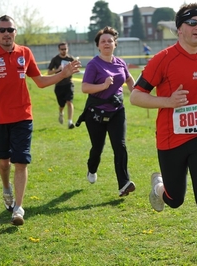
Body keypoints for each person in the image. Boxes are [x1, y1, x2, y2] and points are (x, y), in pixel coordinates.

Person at [130, 3, 197, 266]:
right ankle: (159, 186)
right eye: (193, 22)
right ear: (179, 29)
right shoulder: (163, 59)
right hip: (170, 139)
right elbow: (136, 96)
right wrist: (168, 101)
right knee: (175, 200)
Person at [0, 15, 81, 226]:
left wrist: (64, 73)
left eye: (10, 29)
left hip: (23, 116)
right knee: (4, 163)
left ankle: (18, 208)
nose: (6, 33)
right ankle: (6, 189)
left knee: (20, 161)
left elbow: (40, 81)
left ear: (15, 32)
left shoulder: (25, 53)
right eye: (2, 30)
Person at [76, 26, 136, 197]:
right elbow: (85, 87)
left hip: (117, 110)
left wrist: (138, 93)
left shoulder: (120, 63)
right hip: (96, 113)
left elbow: (129, 79)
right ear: (98, 45)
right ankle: (92, 168)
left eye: (110, 40)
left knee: (120, 146)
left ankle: (124, 184)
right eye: (103, 41)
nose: (107, 43)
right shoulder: (94, 64)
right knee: (98, 147)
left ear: (115, 44)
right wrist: (103, 85)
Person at [47, 42, 76, 129]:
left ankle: (70, 122)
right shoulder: (55, 59)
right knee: (61, 105)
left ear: (68, 49)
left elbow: (76, 69)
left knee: (69, 102)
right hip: (59, 85)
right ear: (59, 49)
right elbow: (49, 72)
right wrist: (58, 69)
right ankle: (61, 113)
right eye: (62, 49)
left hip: (69, 83)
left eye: (65, 49)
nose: (64, 51)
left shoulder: (71, 59)